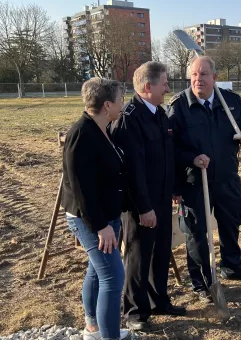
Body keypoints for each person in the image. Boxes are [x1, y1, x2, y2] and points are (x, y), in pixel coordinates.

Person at [166, 56, 241, 304]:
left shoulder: (232, 102)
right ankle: (202, 282)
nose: (198, 79)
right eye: (194, 75)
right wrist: (191, 158)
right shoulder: (179, 106)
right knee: (196, 233)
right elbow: (169, 148)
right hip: (195, 181)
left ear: (214, 78)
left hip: (227, 176)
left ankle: (232, 266)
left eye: (204, 74)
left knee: (231, 222)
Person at [110, 61, 186, 331]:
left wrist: (175, 189)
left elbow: (168, 156)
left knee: (161, 252)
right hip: (141, 205)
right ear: (147, 86)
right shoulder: (130, 118)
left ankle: (158, 301)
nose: (168, 87)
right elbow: (132, 170)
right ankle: (134, 311)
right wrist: (144, 208)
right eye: (163, 83)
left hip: (163, 198)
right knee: (138, 256)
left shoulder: (160, 114)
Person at [62, 78, 132, 340]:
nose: (122, 104)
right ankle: (109, 336)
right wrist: (100, 226)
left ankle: (93, 327)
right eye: (120, 99)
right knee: (113, 278)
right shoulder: (82, 134)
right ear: (106, 105)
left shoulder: (103, 129)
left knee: (97, 270)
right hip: (90, 219)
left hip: (106, 215)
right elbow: (82, 188)